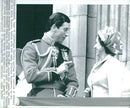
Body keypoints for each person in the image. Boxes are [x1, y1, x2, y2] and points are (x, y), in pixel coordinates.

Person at [21, 12, 79, 97]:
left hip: (61, 102)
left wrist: (67, 97)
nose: (67, 34)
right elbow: (30, 75)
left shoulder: (66, 51)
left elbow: (73, 81)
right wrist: (56, 72)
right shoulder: (32, 47)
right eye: (65, 29)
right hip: (39, 100)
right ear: (54, 27)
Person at [86, 26, 130, 97]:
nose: (95, 46)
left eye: (97, 43)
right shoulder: (99, 64)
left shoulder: (113, 65)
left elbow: (115, 95)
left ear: (104, 45)